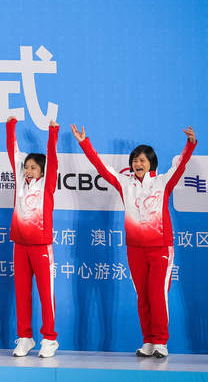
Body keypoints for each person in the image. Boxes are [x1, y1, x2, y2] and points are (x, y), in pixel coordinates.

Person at [71, 123, 197, 358]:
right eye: (135, 160)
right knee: (143, 297)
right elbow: (101, 166)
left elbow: (180, 165)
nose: (138, 164)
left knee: (158, 295)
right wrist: (84, 143)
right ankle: (148, 341)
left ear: (151, 163)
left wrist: (190, 144)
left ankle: (161, 342)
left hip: (160, 248)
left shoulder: (163, 182)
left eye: (143, 160)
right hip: (135, 249)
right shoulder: (125, 183)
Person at [6, 116, 60, 358]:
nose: (28, 171)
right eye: (26, 166)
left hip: (40, 246)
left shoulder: (47, 184)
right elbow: (12, 151)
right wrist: (10, 127)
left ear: (43, 170)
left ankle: (49, 338)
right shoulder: (20, 182)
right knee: (22, 294)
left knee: (45, 293)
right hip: (20, 246)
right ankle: (25, 337)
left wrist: (52, 131)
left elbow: (53, 157)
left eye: (33, 167)